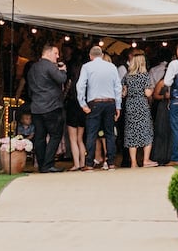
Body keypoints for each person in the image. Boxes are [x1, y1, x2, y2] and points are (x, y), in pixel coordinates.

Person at [76, 45, 121, 170]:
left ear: (90, 56)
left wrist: (82, 103)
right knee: (110, 133)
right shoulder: (112, 67)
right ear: (101, 55)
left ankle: (89, 163)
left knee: (92, 133)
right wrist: (118, 106)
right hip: (110, 101)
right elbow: (117, 87)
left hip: (94, 102)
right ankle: (111, 162)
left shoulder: (87, 67)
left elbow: (80, 85)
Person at [24, 44, 67, 173]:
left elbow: (29, 87)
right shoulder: (49, 66)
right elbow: (61, 79)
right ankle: (48, 164)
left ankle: (42, 165)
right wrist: (63, 70)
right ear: (48, 53)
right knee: (55, 135)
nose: (58, 56)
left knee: (40, 137)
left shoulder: (33, 68)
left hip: (36, 107)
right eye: (56, 53)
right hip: (52, 107)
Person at [121, 50, 156, 167]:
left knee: (132, 132)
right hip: (141, 104)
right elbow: (147, 93)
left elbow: (123, 93)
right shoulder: (145, 76)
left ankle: (134, 162)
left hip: (130, 104)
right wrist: (152, 89)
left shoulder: (127, 76)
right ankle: (146, 160)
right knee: (146, 131)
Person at [147, 51, 172, 166]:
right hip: (162, 109)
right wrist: (164, 96)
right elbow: (155, 95)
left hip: (172, 108)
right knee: (161, 131)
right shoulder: (162, 82)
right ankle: (160, 155)